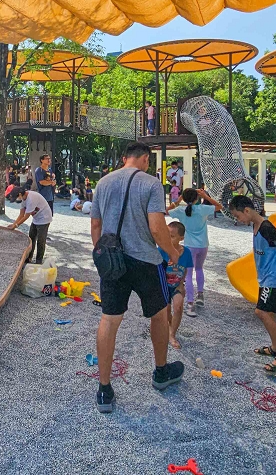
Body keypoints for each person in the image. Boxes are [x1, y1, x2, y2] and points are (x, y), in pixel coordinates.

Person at [89, 141, 184, 413]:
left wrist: (101, 253)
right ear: (145, 159)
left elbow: (96, 224)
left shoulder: (103, 182)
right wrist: (172, 253)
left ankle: (104, 389)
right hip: (145, 260)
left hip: (113, 260)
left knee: (110, 319)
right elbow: (157, 228)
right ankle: (161, 371)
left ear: (123, 158)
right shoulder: (152, 184)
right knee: (158, 314)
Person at [228, 195, 276, 374]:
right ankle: (275, 348)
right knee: (265, 312)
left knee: (261, 312)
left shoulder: (267, 228)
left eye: (238, 216)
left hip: (275, 279)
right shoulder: (255, 225)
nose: (239, 220)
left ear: (247, 210)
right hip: (267, 278)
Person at [169, 188, 223, 317]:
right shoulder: (202, 209)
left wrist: (178, 200)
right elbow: (219, 206)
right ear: (196, 198)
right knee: (199, 269)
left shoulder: (181, 211)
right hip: (203, 244)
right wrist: (206, 196)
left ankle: (190, 303)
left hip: (189, 246)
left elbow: (167, 211)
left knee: (188, 275)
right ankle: (200, 294)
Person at [160, 222, 194, 349]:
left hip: (177, 285)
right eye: (167, 235)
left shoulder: (187, 253)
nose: (168, 239)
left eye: (172, 236)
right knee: (167, 310)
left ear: (181, 238)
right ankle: (169, 324)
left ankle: (172, 334)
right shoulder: (161, 250)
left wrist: (181, 284)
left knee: (178, 307)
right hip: (163, 285)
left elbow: (185, 269)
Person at [7, 186, 53, 264]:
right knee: (31, 238)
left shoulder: (31, 199)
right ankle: (29, 258)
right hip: (36, 218)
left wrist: (16, 226)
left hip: (44, 218)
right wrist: (14, 224)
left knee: (41, 240)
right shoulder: (23, 199)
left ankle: (39, 260)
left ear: (20, 194)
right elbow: (21, 214)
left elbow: (26, 216)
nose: (17, 199)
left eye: (16, 197)